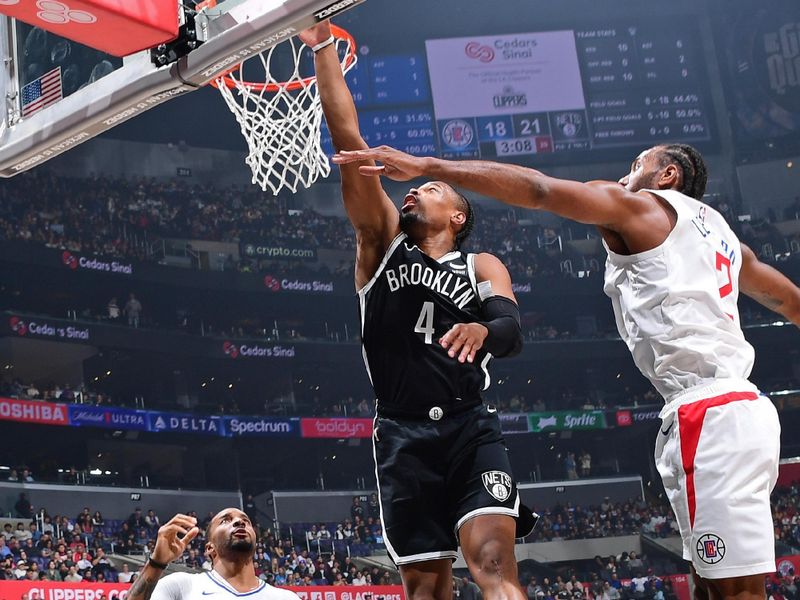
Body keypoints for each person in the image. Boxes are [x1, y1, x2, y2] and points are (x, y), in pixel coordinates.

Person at [332, 141, 800, 600]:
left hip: (710, 412)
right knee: (712, 584)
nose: (623, 177)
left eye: (636, 165)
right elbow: (786, 299)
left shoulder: (641, 208)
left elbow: (538, 189)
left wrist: (427, 165)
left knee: (735, 590)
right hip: (729, 410)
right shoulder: (722, 236)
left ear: (667, 176)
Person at [298, 20, 536, 600]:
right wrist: (324, 49)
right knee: (426, 588)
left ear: (457, 216)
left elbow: (510, 331)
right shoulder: (380, 243)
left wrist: (483, 326)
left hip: (469, 426)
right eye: (413, 188)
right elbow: (350, 142)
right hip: (402, 435)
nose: (414, 191)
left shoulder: (480, 264)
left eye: (430, 189)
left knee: (493, 564)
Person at [127, 509, 299, 600]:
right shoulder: (181, 585)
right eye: (226, 520)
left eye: (245, 521)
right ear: (210, 548)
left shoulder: (286, 597)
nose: (240, 522)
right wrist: (156, 563)